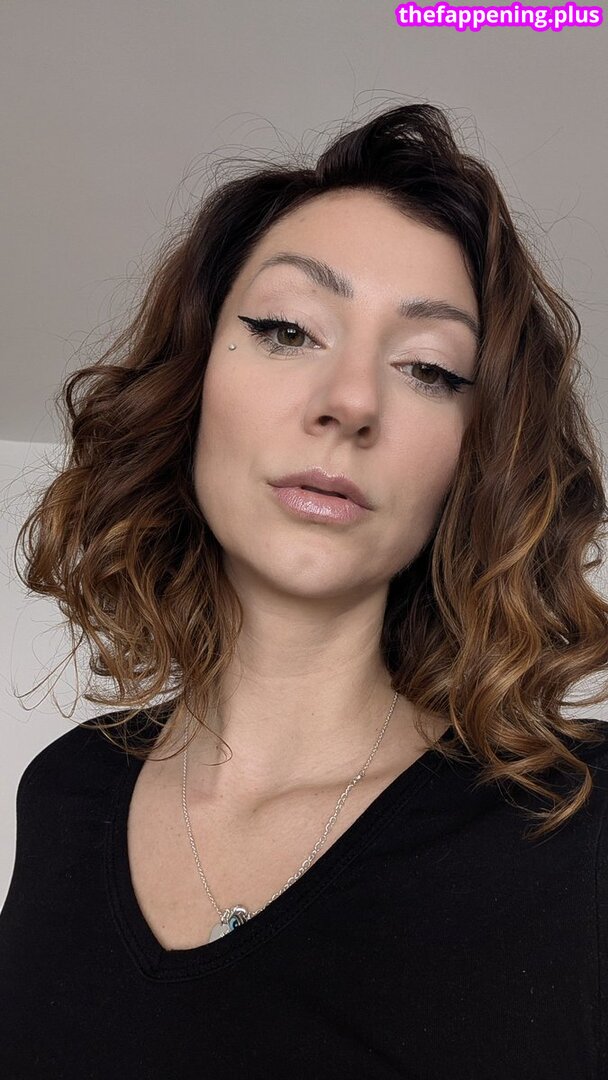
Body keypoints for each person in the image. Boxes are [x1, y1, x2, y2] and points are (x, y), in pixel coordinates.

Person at [1, 102, 608, 1078]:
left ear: (472, 459)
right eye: (288, 329)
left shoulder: (576, 821)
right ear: (193, 384)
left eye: (428, 368)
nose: (352, 401)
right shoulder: (66, 794)